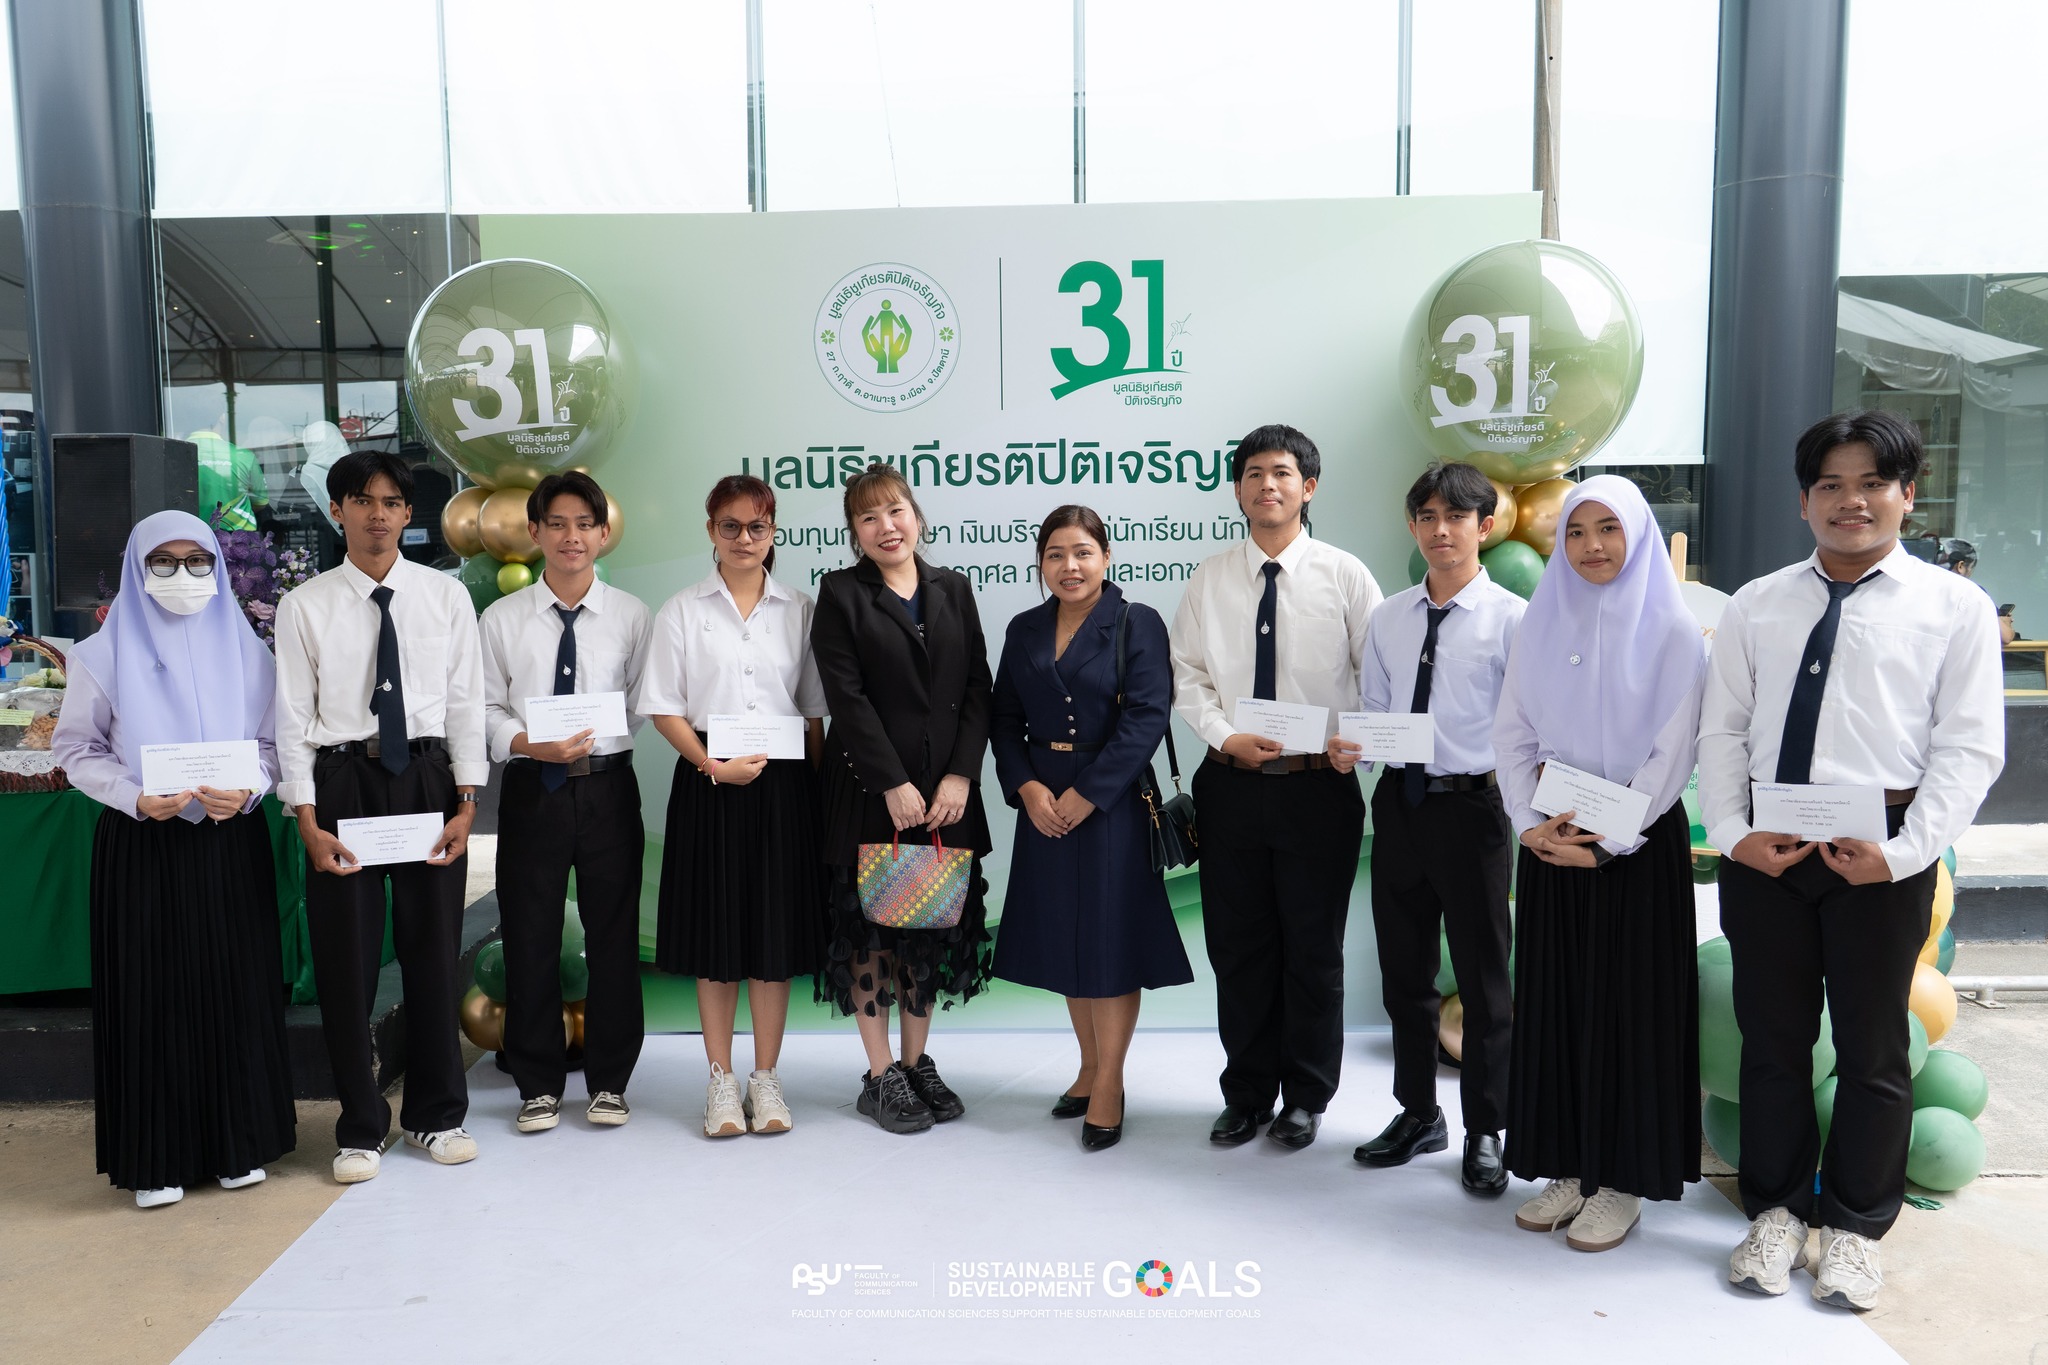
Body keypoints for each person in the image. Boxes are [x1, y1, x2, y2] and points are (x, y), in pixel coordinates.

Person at [1702, 411, 2004, 1310]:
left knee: (1875, 1050)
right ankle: (1777, 1211)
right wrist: (1732, 833)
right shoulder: (1757, 603)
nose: (1851, 501)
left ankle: (1855, 1229)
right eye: (1830, 484)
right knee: (1772, 1042)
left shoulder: (1954, 608)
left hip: (1882, 850)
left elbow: (1969, 748)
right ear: (1803, 501)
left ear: (1907, 495)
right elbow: (1723, 730)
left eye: (1873, 482)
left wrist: (1905, 854)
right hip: (1768, 848)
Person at [53, 512, 294, 1209]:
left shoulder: (250, 652)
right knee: (150, 991)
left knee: (235, 984)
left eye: (198, 560)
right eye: (164, 561)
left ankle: (239, 1142)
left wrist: (251, 789)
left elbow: (274, 745)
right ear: (137, 568)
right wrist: (132, 796)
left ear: (218, 567)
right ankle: (156, 1157)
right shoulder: (100, 656)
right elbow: (75, 749)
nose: (183, 575)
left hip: (228, 834)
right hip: (143, 841)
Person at [1494, 474, 1707, 1253]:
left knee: (1629, 1012)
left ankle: (1620, 1177)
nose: (1591, 545)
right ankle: (1568, 1163)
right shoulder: (1540, 620)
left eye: (1608, 528)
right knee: (1557, 1004)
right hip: (1553, 836)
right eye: (1577, 531)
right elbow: (1511, 730)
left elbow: (1672, 753)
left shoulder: (1675, 631)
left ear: (1638, 535)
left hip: (1636, 847)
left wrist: (1607, 838)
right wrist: (1530, 826)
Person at [273, 451, 488, 1184]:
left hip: (427, 777)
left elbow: (466, 703)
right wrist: (306, 818)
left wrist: (467, 802)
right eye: (362, 501)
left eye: (391, 502)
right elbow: (291, 720)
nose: (377, 515)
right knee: (348, 964)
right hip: (344, 784)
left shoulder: (444, 597)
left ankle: (438, 1115)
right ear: (337, 511)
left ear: (407, 513)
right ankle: (360, 1127)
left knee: (433, 956)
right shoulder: (304, 606)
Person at [1170, 424, 1381, 1151]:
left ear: (1308, 487)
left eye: (1283, 472)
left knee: (1313, 951)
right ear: (1238, 489)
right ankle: (1247, 1093)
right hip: (1231, 786)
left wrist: (1357, 738)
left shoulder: (1344, 575)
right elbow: (1188, 674)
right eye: (1254, 473)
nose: (1268, 484)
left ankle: (1307, 1096)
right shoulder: (1210, 577)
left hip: (1318, 787)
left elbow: (1377, 675)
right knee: (1239, 948)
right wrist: (1224, 735)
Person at [1333, 462, 1523, 1194]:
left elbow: (1525, 730)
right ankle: (1418, 1112)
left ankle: (1486, 1127)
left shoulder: (1512, 618)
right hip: (1401, 805)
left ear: (1485, 526)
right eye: (1427, 517)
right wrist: (1355, 746)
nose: (1441, 530)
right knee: (1405, 972)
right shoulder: (1390, 616)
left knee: (1483, 977)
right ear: (1413, 526)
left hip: (1475, 809)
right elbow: (1378, 711)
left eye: (1456, 517)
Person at [990, 505, 1193, 1150]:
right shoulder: (1024, 627)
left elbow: (1149, 717)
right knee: (1066, 939)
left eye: (1082, 552)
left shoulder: (1137, 622)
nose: (1069, 566)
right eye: (1055, 554)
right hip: (1042, 802)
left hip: (1113, 803)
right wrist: (1027, 788)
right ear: (1040, 563)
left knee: (1110, 943)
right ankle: (1086, 1066)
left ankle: (1110, 1081)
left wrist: (1089, 794)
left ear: (1106, 557)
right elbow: (1003, 720)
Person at [810, 462, 994, 1134]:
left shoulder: (954, 588)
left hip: (946, 797)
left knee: (928, 930)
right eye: (868, 517)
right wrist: (891, 781)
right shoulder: (840, 593)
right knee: (871, 935)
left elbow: (977, 687)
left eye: (896, 511)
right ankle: (880, 1072)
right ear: (854, 531)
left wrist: (961, 775)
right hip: (870, 792)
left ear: (916, 516)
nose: (886, 527)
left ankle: (917, 1064)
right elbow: (847, 697)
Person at [643, 474, 827, 1138]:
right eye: (731, 526)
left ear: (772, 533)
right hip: (710, 783)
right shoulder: (681, 610)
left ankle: (766, 1078)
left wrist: (814, 794)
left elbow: (813, 713)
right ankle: (721, 1081)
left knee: (772, 938)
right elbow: (663, 706)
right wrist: (711, 765)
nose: (744, 538)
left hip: (784, 790)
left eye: (757, 527)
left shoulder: (801, 609)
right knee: (716, 937)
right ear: (711, 530)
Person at [479, 471, 652, 1135]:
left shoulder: (632, 615)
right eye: (557, 523)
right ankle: (537, 1084)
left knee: (614, 935)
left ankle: (610, 1080)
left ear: (603, 533)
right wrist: (530, 742)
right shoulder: (502, 619)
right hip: (533, 788)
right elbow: (484, 707)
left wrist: (592, 741)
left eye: (584, 524)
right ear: (535, 532)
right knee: (529, 934)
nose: (571, 536)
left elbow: (641, 702)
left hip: (608, 786)